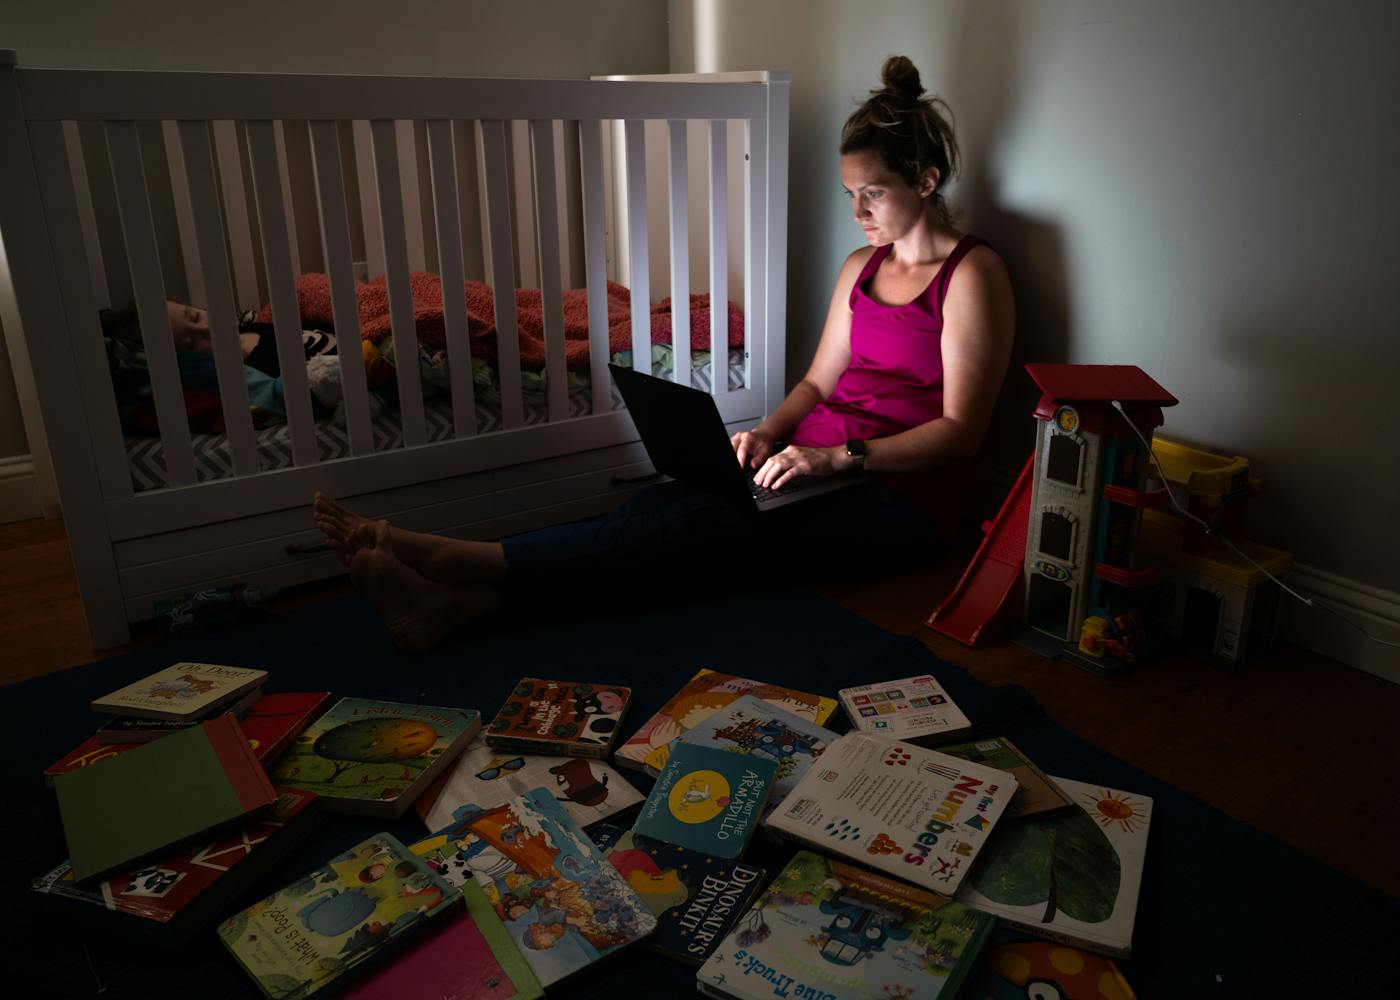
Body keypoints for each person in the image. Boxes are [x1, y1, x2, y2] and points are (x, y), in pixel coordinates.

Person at [313, 54, 1015, 652]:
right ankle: (458, 606)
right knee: (660, 510)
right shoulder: (862, 265)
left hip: (898, 501)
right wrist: (770, 431)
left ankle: (452, 560)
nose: (857, 213)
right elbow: (820, 382)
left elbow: (962, 434)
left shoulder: (972, 275)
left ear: (925, 181)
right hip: (807, 470)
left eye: (873, 194)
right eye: (849, 196)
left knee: (698, 531)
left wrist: (839, 458)